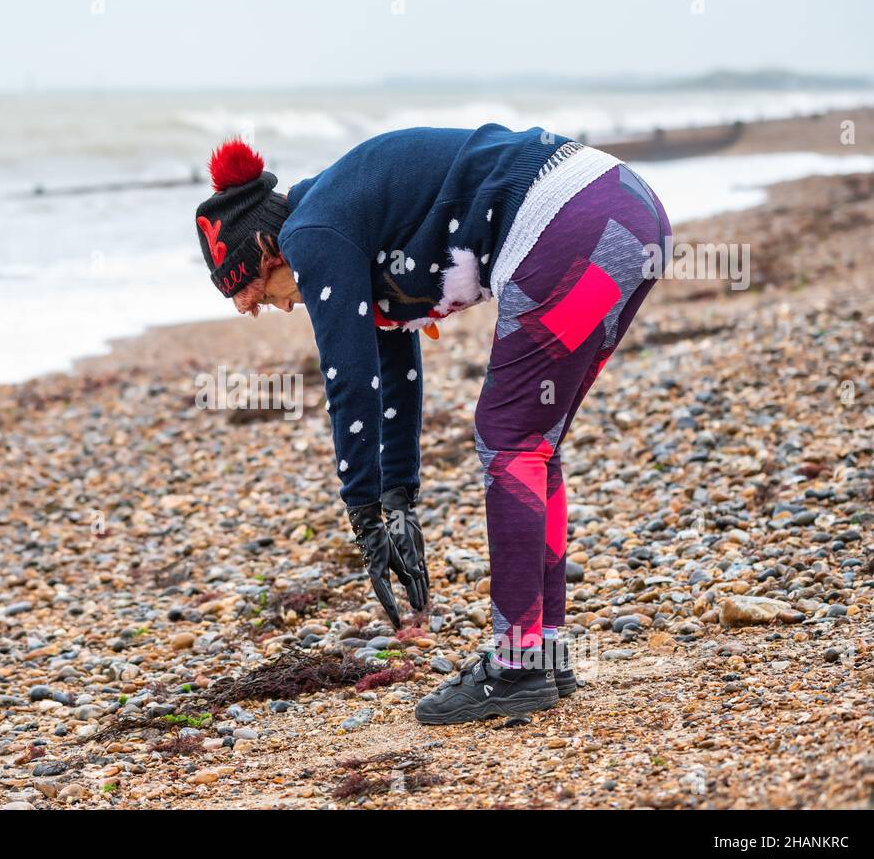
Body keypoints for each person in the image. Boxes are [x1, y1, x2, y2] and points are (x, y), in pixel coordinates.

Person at [192, 127, 671, 723]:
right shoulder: (344, 221)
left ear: (267, 250)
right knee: (533, 445)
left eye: (253, 288)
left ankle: (518, 667)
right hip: (629, 216)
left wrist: (361, 512)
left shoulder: (309, 232)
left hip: (578, 221)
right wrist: (396, 498)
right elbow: (391, 372)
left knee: (512, 440)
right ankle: (543, 654)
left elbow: (349, 379)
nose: (261, 306)